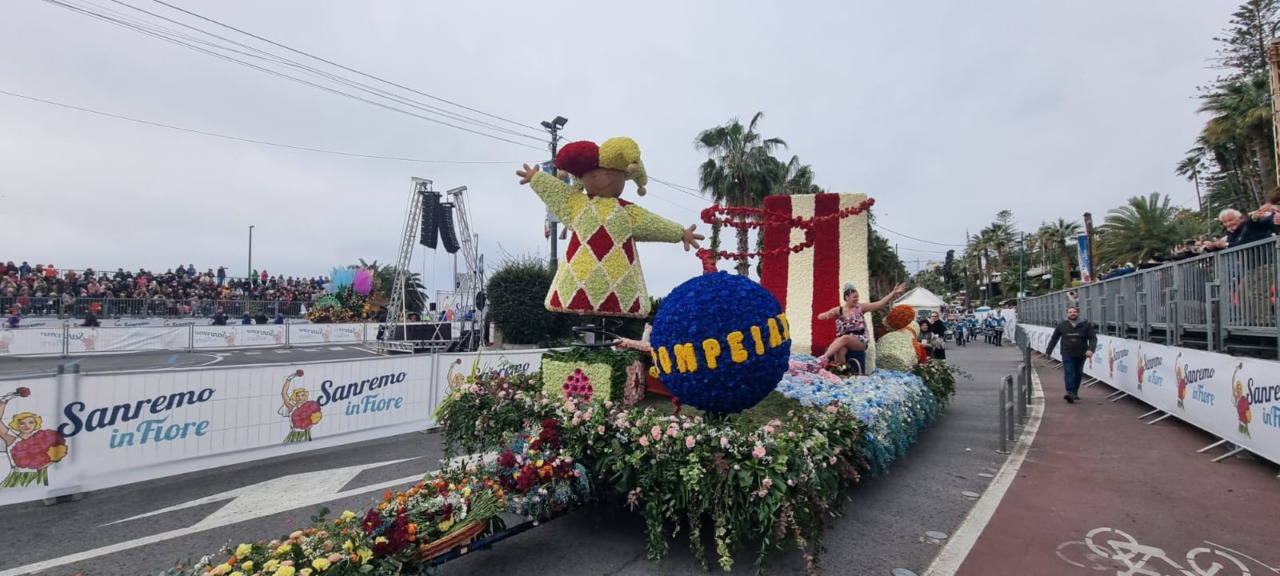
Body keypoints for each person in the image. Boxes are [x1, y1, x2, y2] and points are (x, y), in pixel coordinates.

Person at [817, 282, 907, 368]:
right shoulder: (838, 310)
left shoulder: (861, 307)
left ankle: (823, 358)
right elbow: (820, 316)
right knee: (839, 350)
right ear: (847, 297)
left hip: (860, 340)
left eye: (857, 297)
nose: (857, 299)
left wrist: (893, 292)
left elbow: (880, 303)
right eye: (854, 297)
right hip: (843, 340)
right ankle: (841, 372)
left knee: (844, 338)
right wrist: (826, 315)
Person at [1045, 306, 1097, 404]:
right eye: (1070, 312)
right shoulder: (1062, 325)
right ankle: (1069, 392)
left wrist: (1091, 349)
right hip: (1067, 352)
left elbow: (1093, 338)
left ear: (1078, 313)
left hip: (1081, 353)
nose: (1072, 313)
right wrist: (1048, 351)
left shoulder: (1086, 325)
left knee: (1078, 373)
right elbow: (1054, 338)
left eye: (1074, 312)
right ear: (1067, 314)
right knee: (1069, 372)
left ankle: (1075, 392)